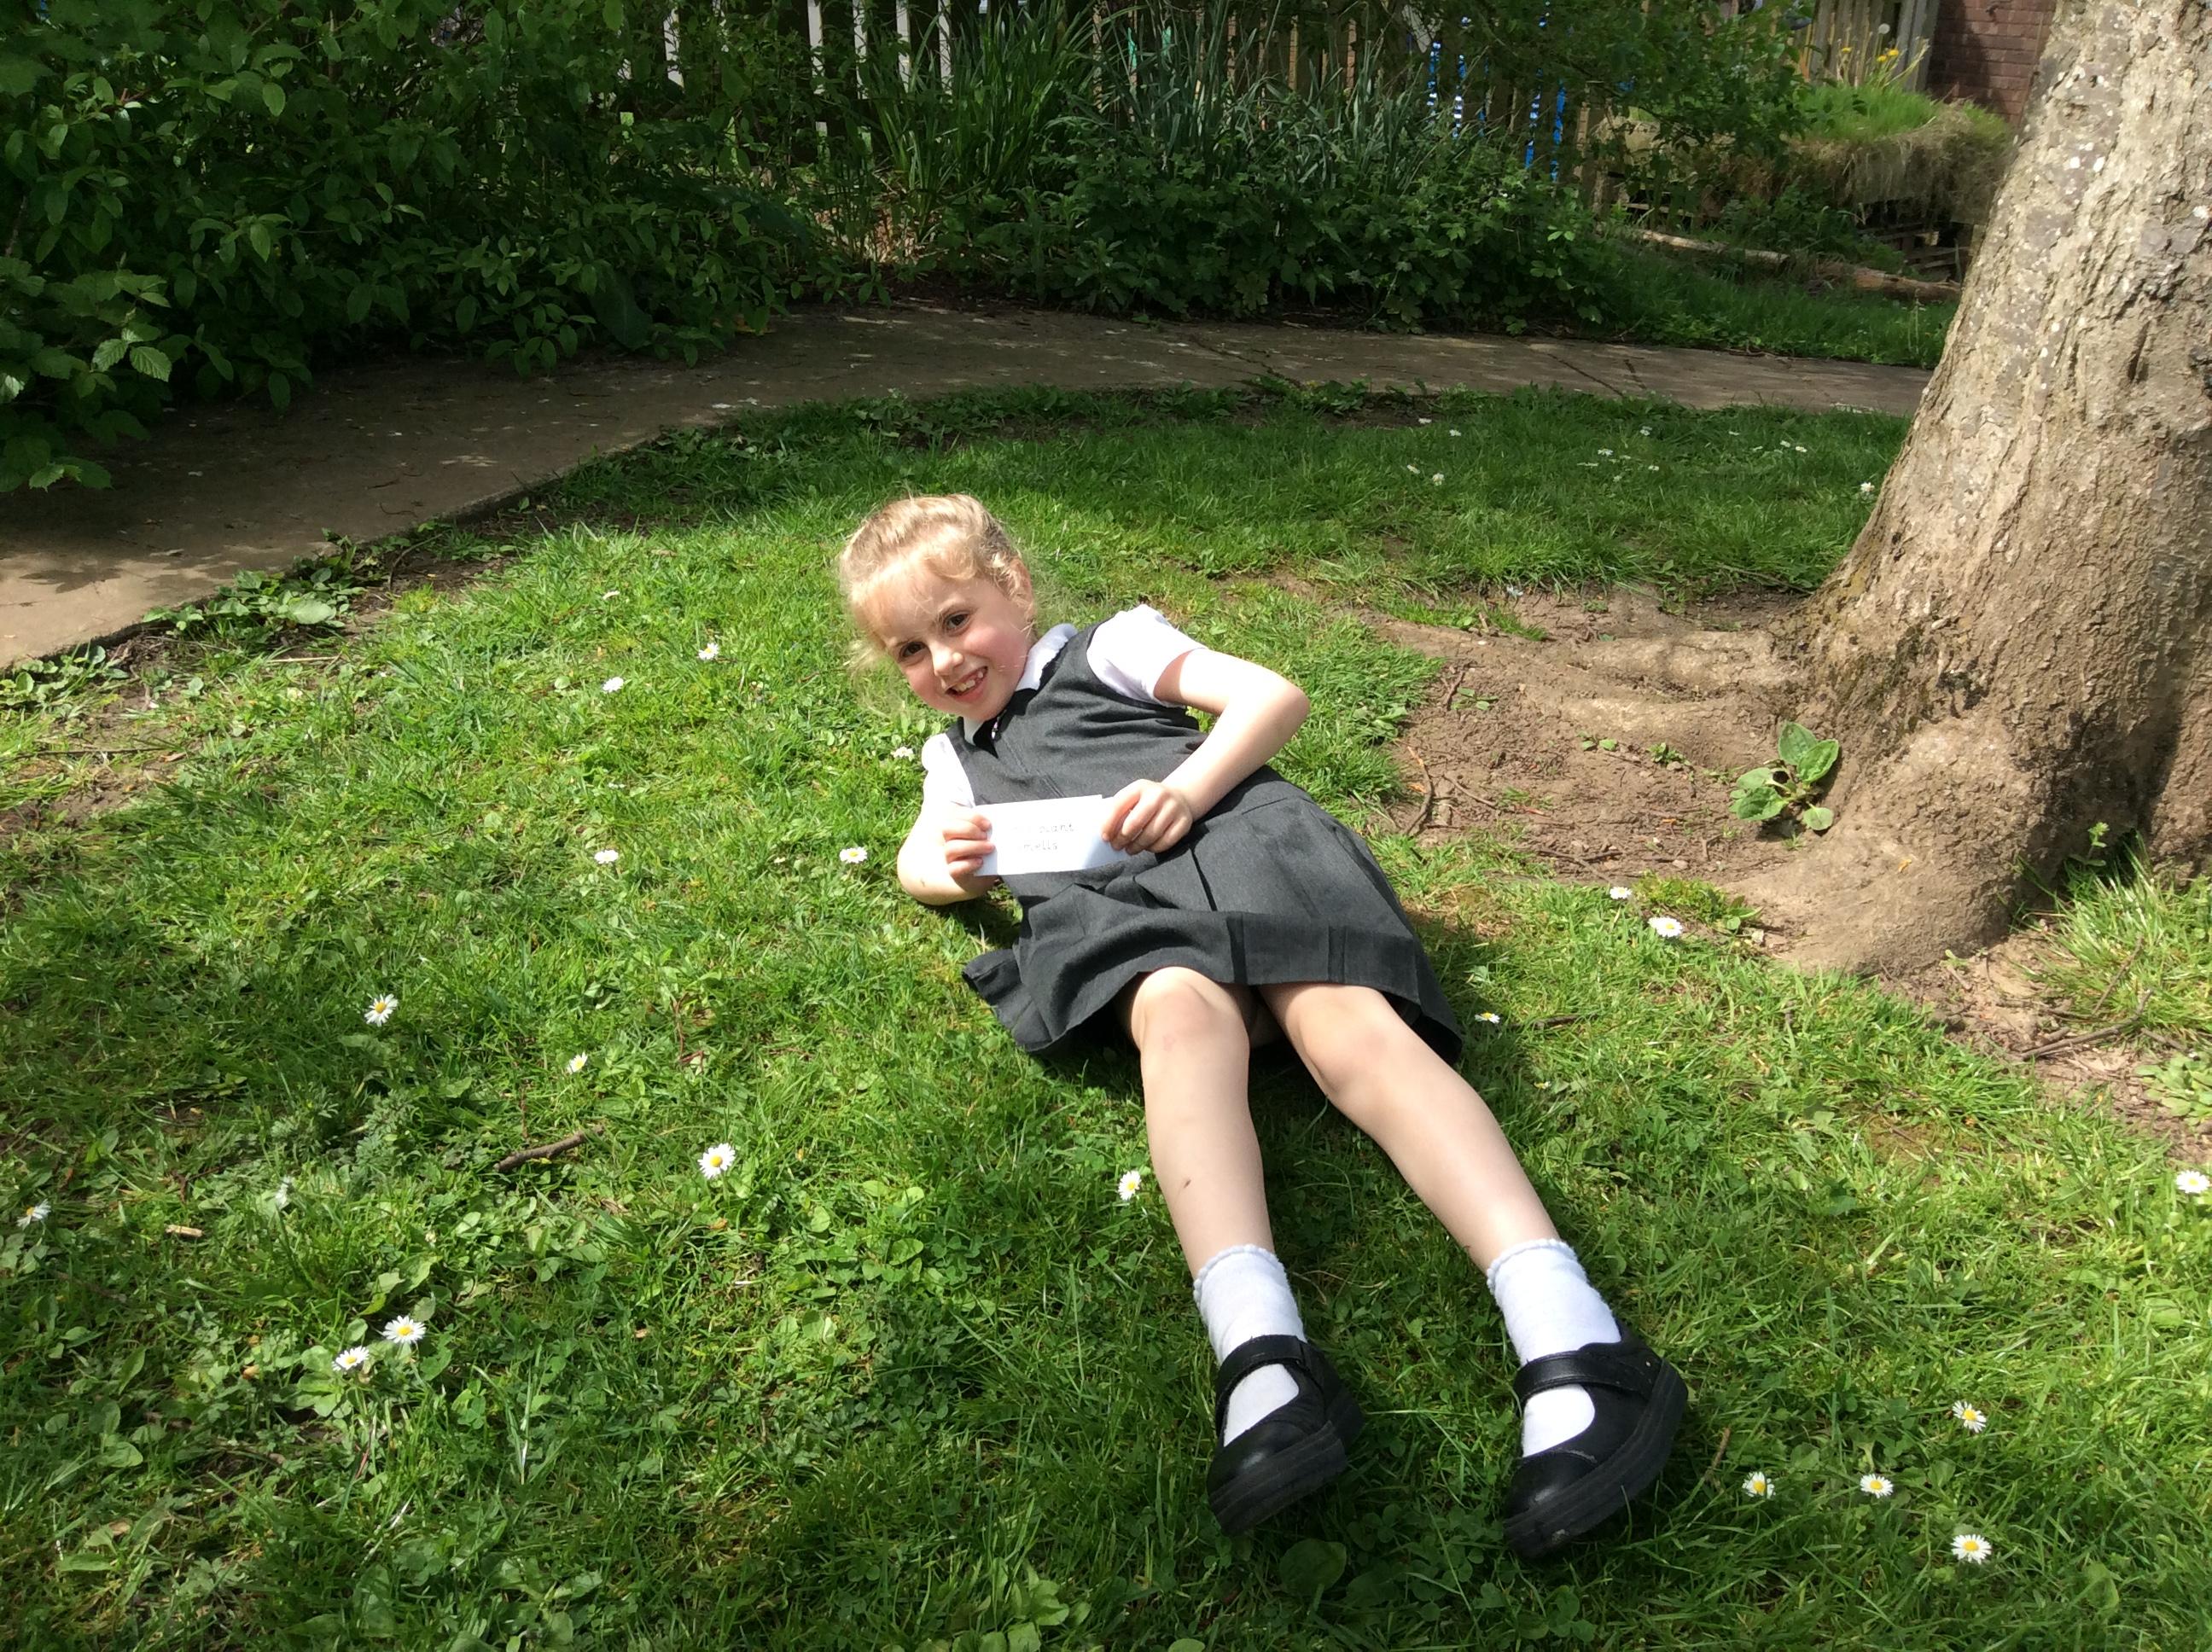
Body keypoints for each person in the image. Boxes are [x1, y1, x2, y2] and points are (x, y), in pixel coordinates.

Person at [837, 494, 1685, 1557]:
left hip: (1237, 845)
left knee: (1345, 1028)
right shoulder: (954, 761)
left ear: (1013, 586)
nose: (946, 660)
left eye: (957, 620)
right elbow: (919, 861)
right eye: (910, 650)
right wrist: (952, 868)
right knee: (1175, 1024)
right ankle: (1263, 1356)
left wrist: (1186, 789)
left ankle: (1572, 1332)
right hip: (1127, 923)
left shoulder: (1111, 649)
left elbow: (1270, 697)